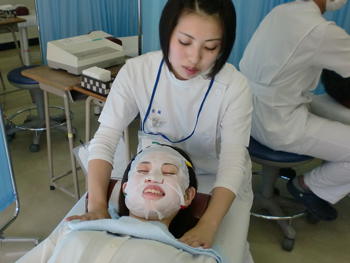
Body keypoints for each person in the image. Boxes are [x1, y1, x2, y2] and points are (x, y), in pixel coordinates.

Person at [67, 0, 254, 261]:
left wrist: (208, 224)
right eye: (185, 42)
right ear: (167, 33)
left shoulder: (235, 86)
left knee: (223, 252)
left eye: (211, 47)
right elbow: (106, 139)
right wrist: (97, 206)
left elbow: (233, 162)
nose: (194, 58)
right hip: (153, 169)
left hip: (216, 177)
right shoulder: (137, 72)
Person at [16, 145, 227, 263]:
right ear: (124, 188)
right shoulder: (74, 228)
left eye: (169, 173)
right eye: (142, 171)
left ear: (188, 197)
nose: (152, 178)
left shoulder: (195, 257)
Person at [239, 0, 350, 221]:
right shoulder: (320, 31)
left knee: (324, 108)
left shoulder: (280, 12)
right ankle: (306, 186)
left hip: (247, 113)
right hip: (279, 125)